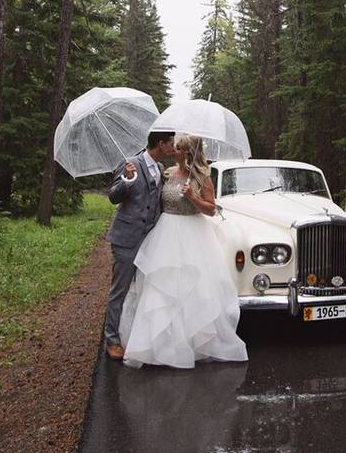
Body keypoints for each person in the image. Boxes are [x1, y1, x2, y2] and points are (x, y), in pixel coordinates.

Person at [119, 134, 248, 369]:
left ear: (187, 152)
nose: (172, 150)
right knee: (161, 289)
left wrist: (193, 196)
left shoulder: (202, 177)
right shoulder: (166, 173)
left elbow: (211, 210)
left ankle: (192, 343)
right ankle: (160, 345)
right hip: (165, 234)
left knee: (192, 291)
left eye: (177, 148)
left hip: (193, 235)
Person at [103, 131, 176, 361]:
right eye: (171, 143)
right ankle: (112, 340)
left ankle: (137, 334)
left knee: (145, 288)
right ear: (161, 144)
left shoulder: (160, 167)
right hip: (127, 238)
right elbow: (113, 197)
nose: (174, 146)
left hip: (150, 239)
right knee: (120, 290)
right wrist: (127, 180)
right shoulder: (131, 164)